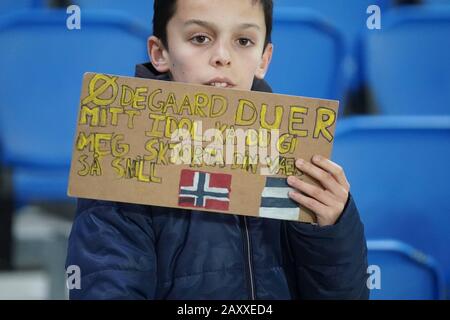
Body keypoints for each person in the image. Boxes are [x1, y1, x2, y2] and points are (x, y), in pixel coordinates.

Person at [66, 0, 369, 299]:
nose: (222, 57)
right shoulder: (121, 164)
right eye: (200, 38)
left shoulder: (292, 158)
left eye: (243, 40)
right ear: (160, 53)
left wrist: (332, 230)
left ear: (264, 58)